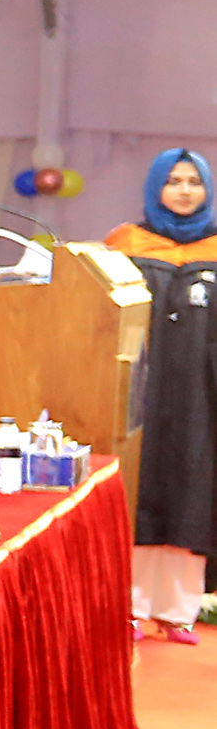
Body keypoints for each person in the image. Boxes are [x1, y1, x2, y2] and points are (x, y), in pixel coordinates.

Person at [106, 149, 217, 641]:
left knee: (192, 489)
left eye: (195, 181)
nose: (185, 190)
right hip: (140, 388)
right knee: (139, 487)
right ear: (156, 188)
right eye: (174, 181)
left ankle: (177, 610)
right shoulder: (124, 244)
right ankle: (127, 605)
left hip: (201, 393)